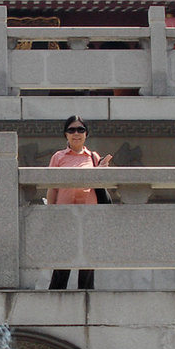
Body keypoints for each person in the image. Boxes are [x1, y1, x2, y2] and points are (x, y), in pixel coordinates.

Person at [46, 115, 111, 290]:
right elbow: (52, 188)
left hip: (89, 215)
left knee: (87, 260)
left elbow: (100, 185)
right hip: (65, 214)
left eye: (80, 130)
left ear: (86, 134)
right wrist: (50, 212)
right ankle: (56, 298)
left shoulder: (93, 157)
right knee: (63, 260)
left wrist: (102, 171)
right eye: (72, 130)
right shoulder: (58, 157)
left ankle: (86, 297)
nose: (76, 133)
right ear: (66, 134)